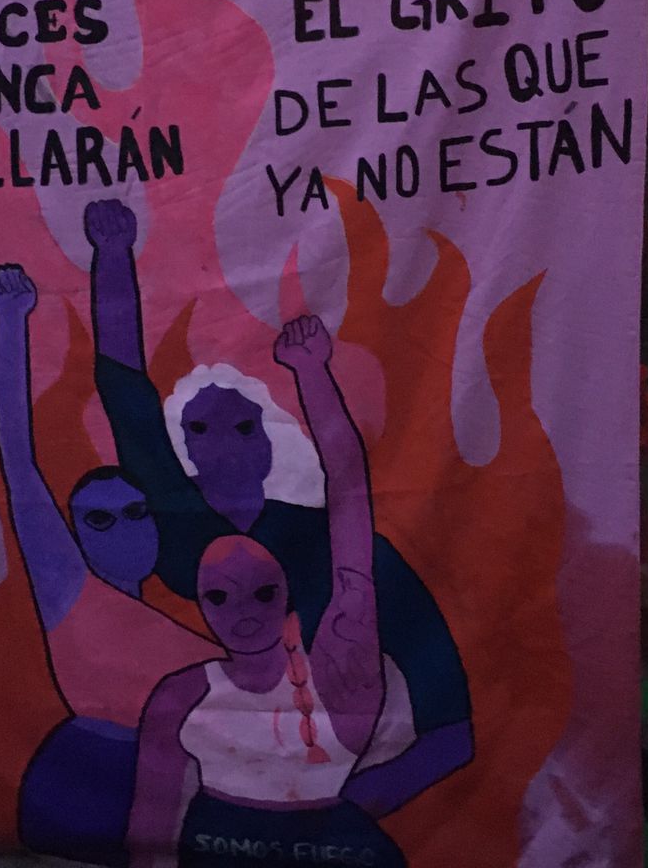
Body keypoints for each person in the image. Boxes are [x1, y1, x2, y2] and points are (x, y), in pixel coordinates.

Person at [86, 199, 473, 820]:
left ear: (272, 442)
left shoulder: (333, 549)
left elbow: (450, 727)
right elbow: (125, 392)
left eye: (245, 426)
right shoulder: (173, 531)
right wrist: (111, 255)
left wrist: (349, 813)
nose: (224, 445)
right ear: (182, 450)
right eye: (201, 430)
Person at [129, 316, 402, 868]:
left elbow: (351, 499)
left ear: (287, 592)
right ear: (200, 605)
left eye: (261, 593)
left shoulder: (340, 668)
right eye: (219, 598)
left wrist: (312, 374)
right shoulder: (180, 695)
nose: (242, 612)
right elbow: (150, 823)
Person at [0, 264, 217, 867]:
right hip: (84, 778)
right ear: (75, 536)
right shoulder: (68, 587)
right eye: (100, 520)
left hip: (187, 785)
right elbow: (16, 455)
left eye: (136, 512)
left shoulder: (205, 608)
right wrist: (11, 323)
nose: (124, 529)